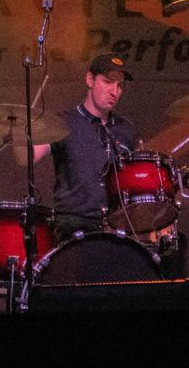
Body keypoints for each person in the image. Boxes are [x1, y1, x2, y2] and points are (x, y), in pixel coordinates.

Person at [19, 52, 138, 240]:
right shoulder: (62, 123)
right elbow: (26, 157)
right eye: (108, 81)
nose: (114, 91)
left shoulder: (125, 129)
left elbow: (136, 183)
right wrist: (18, 129)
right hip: (73, 227)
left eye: (120, 85)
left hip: (116, 228)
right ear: (90, 79)